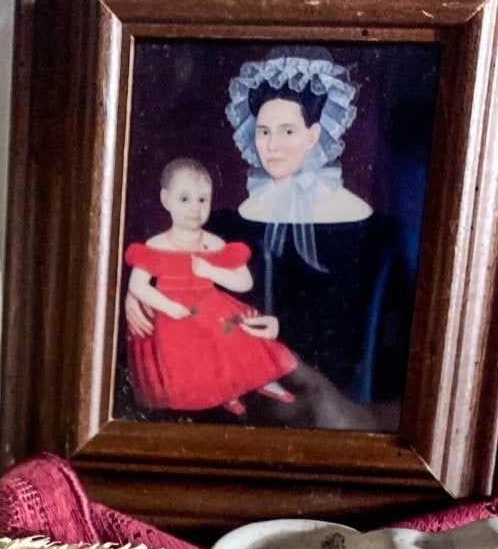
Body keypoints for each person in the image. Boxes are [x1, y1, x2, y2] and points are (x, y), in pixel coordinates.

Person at [126, 51, 412, 419]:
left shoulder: (375, 235)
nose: (272, 146)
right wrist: (139, 294)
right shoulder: (224, 224)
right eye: (263, 132)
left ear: (314, 135)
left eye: (287, 131)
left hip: (334, 418)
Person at [122, 157, 297, 415]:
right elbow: (138, 285)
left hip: (209, 303)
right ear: (166, 200)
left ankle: (246, 386)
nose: (195, 208)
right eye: (184, 199)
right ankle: (222, 394)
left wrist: (212, 271)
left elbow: (244, 281)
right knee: (189, 352)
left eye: (202, 200)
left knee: (233, 336)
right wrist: (168, 306)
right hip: (170, 312)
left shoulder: (214, 243)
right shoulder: (156, 246)